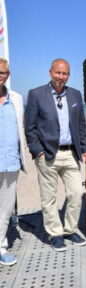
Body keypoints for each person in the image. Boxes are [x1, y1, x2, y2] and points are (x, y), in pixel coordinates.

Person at [25, 59, 86, 251]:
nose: (61, 77)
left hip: (71, 153)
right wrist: (37, 151)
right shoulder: (36, 94)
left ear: (68, 75)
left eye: (65, 74)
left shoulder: (75, 95)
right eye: (58, 73)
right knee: (49, 197)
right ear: (50, 73)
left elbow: (81, 127)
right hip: (47, 154)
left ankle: (70, 230)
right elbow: (30, 128)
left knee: (76, 193)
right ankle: (55, 233)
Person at [0, 58, 27, 265]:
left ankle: (1, 247)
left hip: (10, 163)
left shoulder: (16, 98)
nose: (2, 75)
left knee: (6, 208)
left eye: (5, 73)